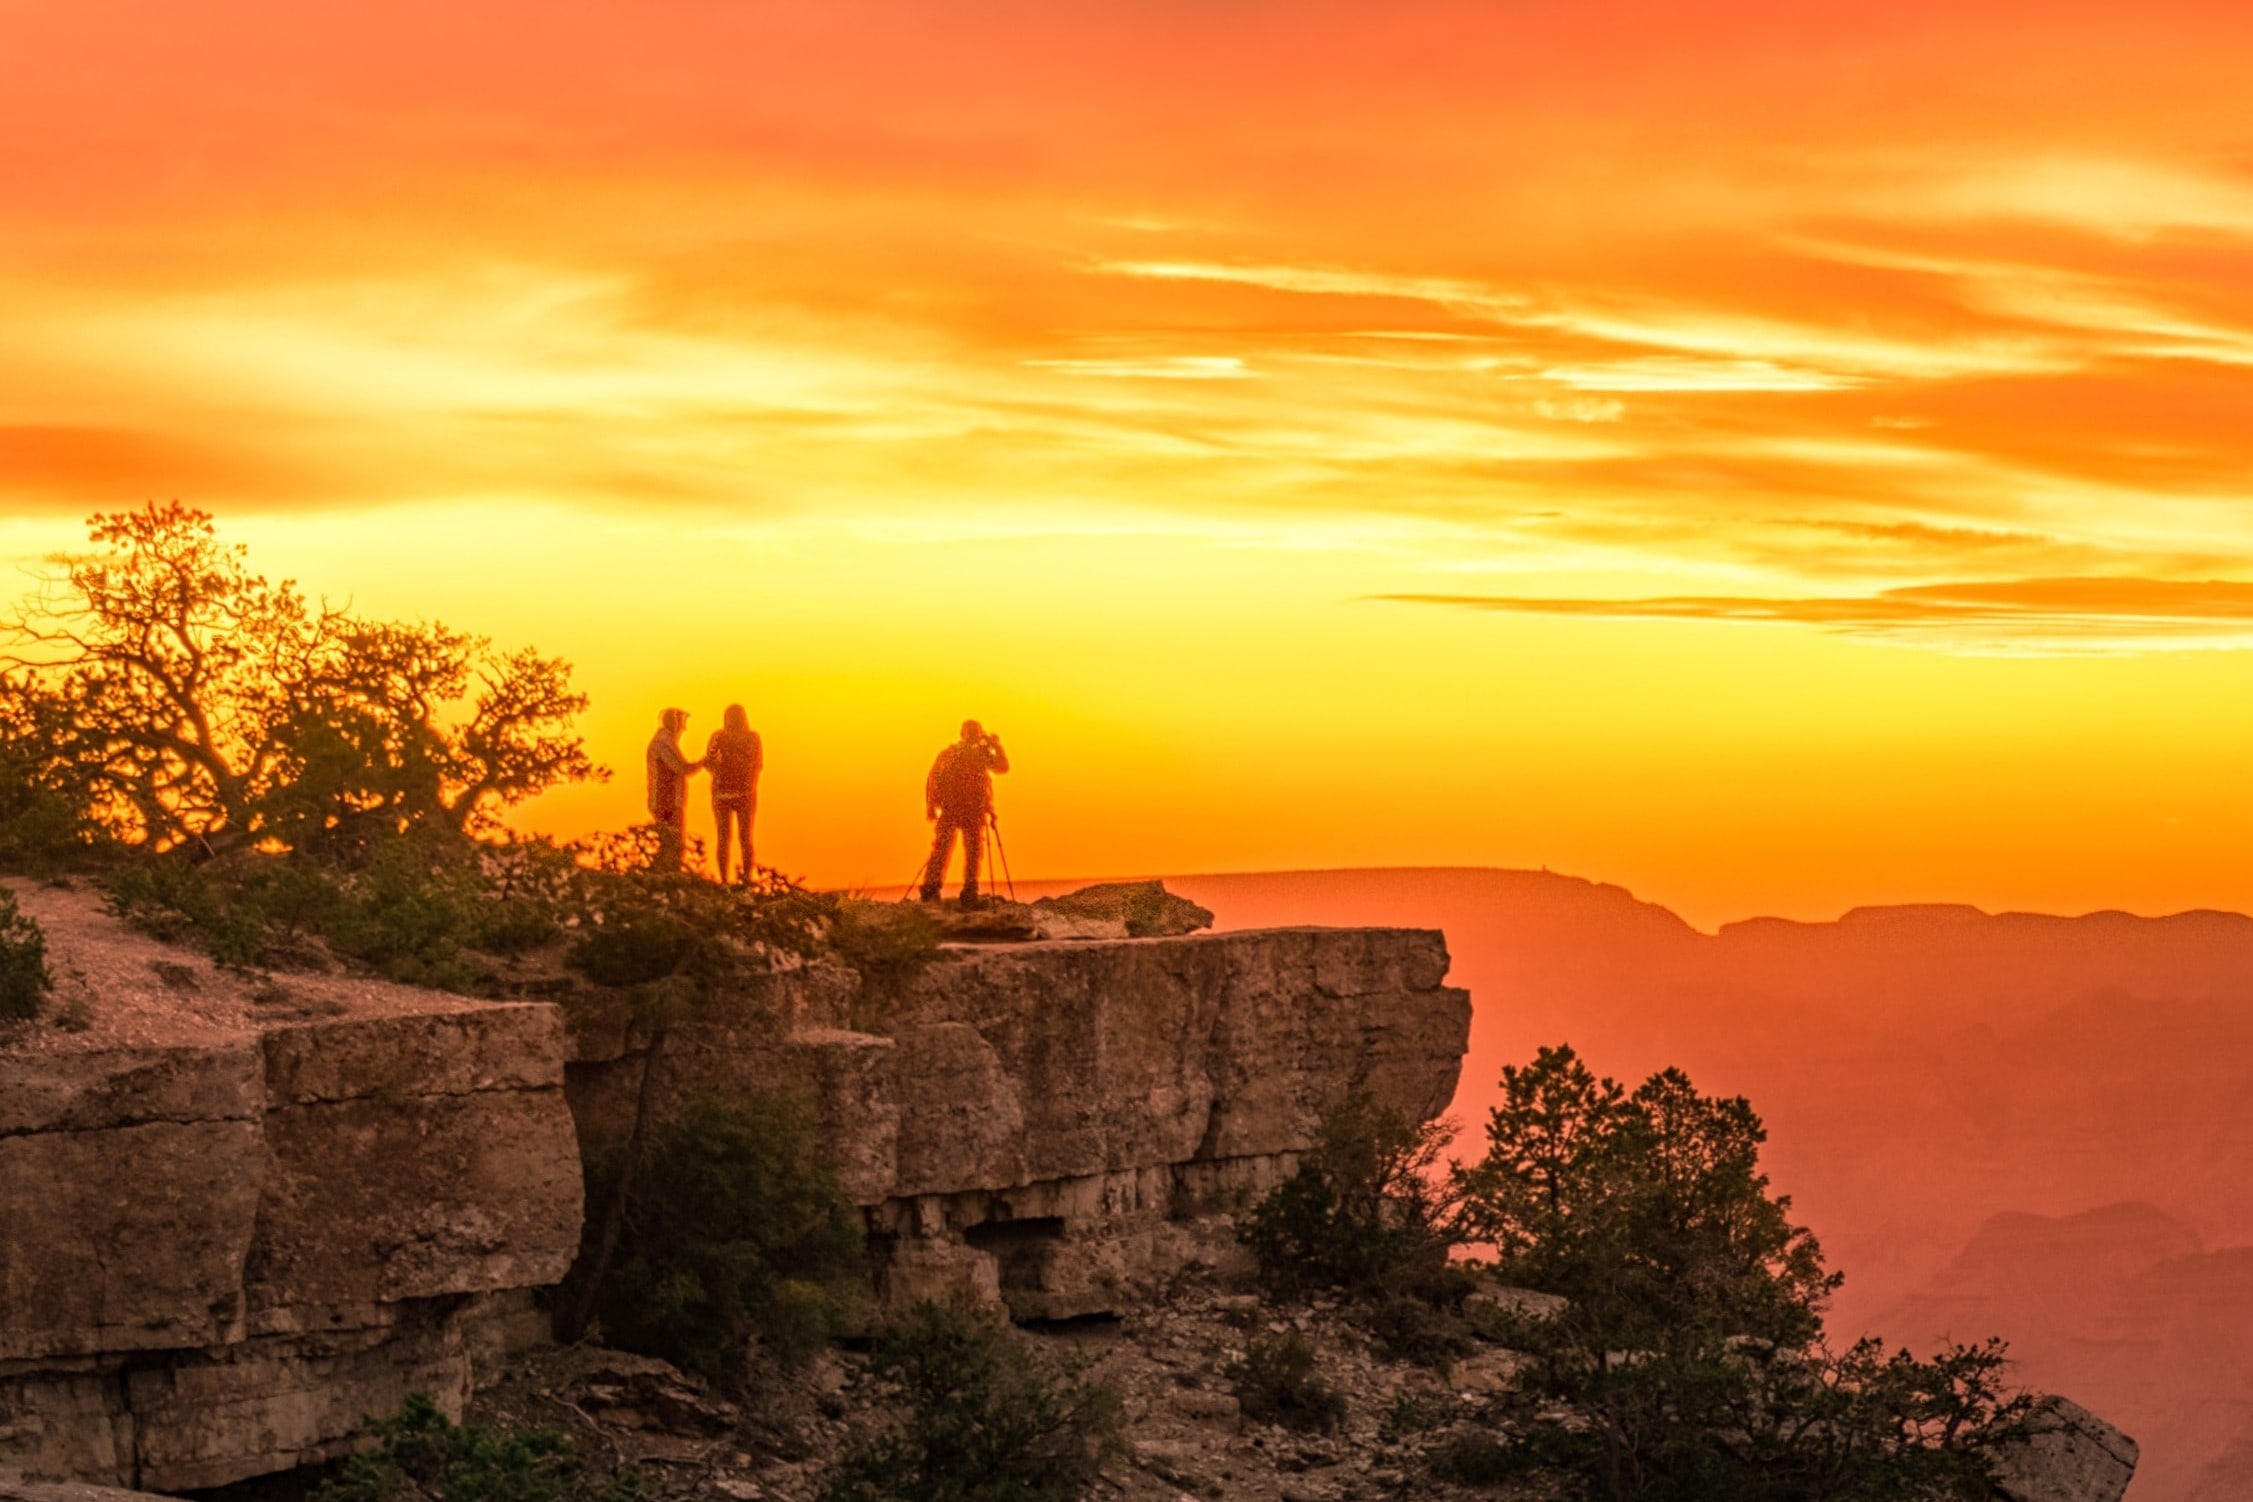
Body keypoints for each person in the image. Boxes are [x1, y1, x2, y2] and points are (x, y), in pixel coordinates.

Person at [920, 719, 1009, 906]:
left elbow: (1002, 767)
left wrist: (995, 746)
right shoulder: (952, 754)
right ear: (963, 734)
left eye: (975, 733)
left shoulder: (979, 754)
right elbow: (934, 776)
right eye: (971, 733)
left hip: (972, 810)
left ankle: (967, 892)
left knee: (972, 853)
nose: (973, 737)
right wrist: (930, 805)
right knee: (943, 850)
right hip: (954, 808)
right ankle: (932, 890)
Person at [704, 703, 764, 885]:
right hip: (741, 794)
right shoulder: (751, 738)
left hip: (726, 793)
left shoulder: (721, 736)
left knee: (726, 839)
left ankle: (727, 880)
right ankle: (744, 879)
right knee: (744, 839)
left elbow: (709, 764)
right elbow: (758, 766)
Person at [644, 708, 701, 869]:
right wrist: (702, 763)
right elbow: (681, 768)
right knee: (672, 848)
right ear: (673, 723)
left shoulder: (666, 742)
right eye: (681, 724)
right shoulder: (662, 744)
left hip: (668, 801)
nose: (683, 729)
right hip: (666, 802)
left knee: (671, 847)